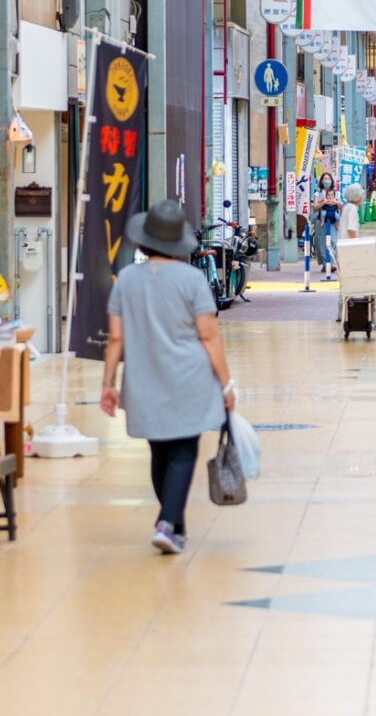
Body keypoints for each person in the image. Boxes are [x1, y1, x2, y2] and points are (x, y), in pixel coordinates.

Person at [98, 199, 237, 555]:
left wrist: (107, 384)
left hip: (143, 378)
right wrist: (226, 383)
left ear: (143, 241)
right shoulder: (192, 280)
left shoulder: (127, 279)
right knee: (183, 452)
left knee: (160, 452)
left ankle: (175, 525)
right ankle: (166, 523)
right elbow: (209, 335)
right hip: (188, 378)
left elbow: (116, 337)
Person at [310, 177, 341, 274]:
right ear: (321, 181)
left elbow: (341, 207)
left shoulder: (337, 193)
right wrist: (323, 202)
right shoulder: (317, 193)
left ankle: (331, 263)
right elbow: (315, 207)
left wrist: (335, 202)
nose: (326, 180)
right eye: (325, 178)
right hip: (321, 220)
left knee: (333, 242)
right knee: (322, 244)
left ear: (331, 180)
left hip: (333, 221)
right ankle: (326, 265)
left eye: (328, 178)